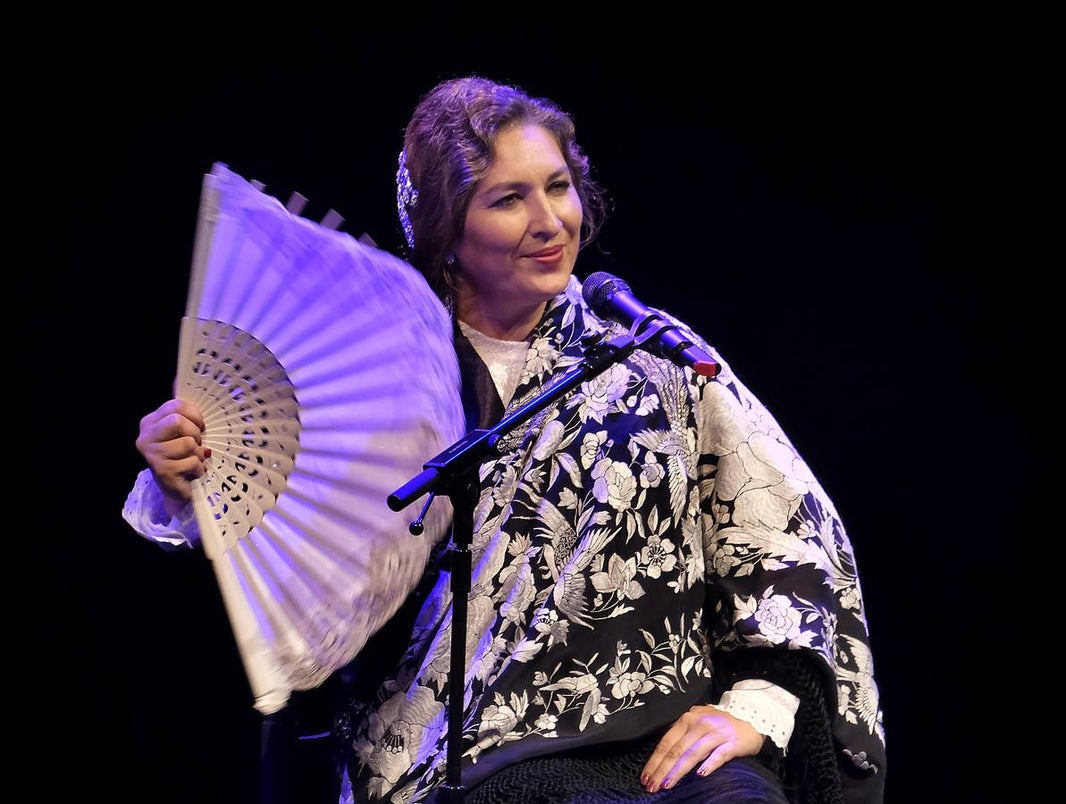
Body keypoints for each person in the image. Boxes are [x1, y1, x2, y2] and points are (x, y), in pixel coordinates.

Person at [123, 75, 887, 803]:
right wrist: (185, 481)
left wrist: (756, 706)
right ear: (446, 229)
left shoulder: (653, 358)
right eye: (508, 199)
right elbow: (293, 566)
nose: (550, 221)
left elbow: (787, 539)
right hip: (458, 754)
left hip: (653, 740)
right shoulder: (365, 370)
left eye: (558, 187)